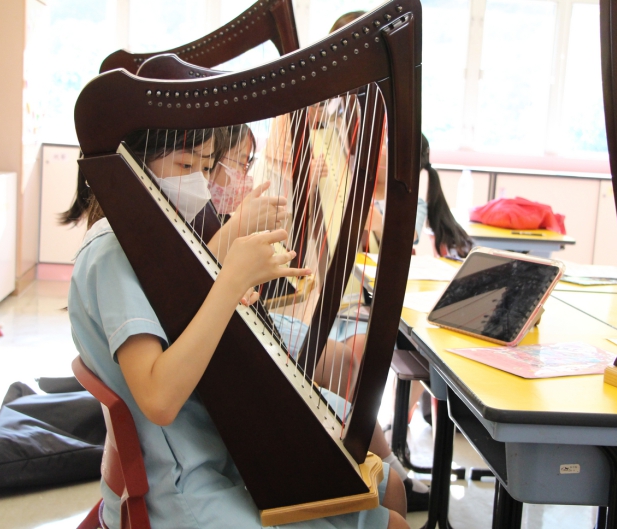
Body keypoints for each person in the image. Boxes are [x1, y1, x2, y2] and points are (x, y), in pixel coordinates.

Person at [66, 127, 410, 529]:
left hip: (213, 449)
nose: (199, 182)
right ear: (133, 163)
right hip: (181, 485)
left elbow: (175, 310)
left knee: (389, 491)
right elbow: (159, 399)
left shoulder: (152, 234)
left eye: (205, 167)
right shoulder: (112, 250)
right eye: (185, 165)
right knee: (392, 521)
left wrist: (232, 267)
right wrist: (230, 281)